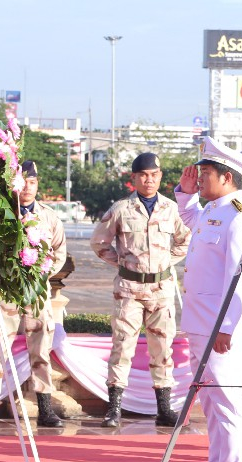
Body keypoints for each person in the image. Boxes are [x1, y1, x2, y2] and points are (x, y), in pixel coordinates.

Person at [174, 137, 242, 462]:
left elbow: (238, 279)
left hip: (220, 328)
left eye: (205, 173)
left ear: (226, 177)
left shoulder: (239, 216)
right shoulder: (212, 210)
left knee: (227, 404)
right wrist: (184, 194)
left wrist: (226, 327)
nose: (199, 178)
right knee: (211, 405)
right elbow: (190, 219)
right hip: (201, 323)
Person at [91, 152, 191, 428]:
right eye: (144, 175)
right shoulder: (121, 209)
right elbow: (99, 243)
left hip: (161, 290)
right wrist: (125, 263)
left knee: (163, 348)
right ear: (134, 178)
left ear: (160, 177)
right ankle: (114, 408)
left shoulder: (171, 209)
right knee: (122, 346)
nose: (149, 180)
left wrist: (164, 263)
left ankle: (164, 408)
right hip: (129, 289)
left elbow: (185, 240)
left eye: (154, 175)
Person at [0, 161, 67, 429]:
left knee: (41, 349)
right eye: (23, 183)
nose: (28, 188)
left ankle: (45, 408)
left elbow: (59, 252)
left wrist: (41, 273)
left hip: (36, 292)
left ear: (38, 184)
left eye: (32, 182)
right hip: (7, 292)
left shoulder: (49, 216)